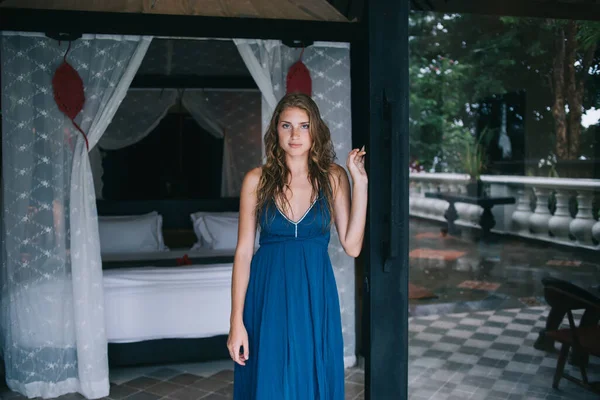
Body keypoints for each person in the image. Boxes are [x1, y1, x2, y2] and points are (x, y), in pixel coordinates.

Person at [228, 92, 368, 399]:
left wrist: (361, 182)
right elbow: (242, 253)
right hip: (267, 295)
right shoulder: (256, 180)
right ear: (275, 130)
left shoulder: (334, 177)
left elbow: (353, 246)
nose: (295, 134)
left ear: (315, 131)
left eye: (304, 126)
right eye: (286, 125)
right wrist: (236, 321)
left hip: (314, 294)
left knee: (310, 376)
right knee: (271, 377)